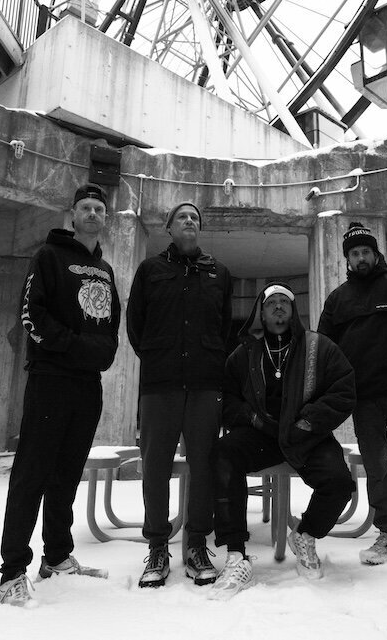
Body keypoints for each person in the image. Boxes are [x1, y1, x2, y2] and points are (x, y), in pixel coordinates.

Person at [0, 183, 120, 607]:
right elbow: (32, 314)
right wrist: (76, 347)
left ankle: (57, 557)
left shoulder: (104, 269)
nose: (92, 214)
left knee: (66, 474)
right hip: (50, 379)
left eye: (99, 208)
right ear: (72, 215)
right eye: (85, 207)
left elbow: (111, 326)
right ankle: (12, 571)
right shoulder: (48, 256)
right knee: (32, 472)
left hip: (88, 386)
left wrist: (101, 354)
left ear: (105, 218)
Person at [209, 282, 356, 600]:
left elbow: (343, 388)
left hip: (306, 435)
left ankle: (305, 535)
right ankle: (236, 555)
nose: (278, 306)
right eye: (271, 302)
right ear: (261, 313)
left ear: (294, 310)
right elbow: (227, 397)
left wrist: (309, 421)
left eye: (284, 302)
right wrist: (250, 418)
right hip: (262, 435)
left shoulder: (318, 346)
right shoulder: (245, 352)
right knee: (224, 453)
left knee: (340, 482)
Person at [127, 201, 232, 588]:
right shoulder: (150, 270)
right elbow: (135, 324)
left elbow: (224, 326)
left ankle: (196, 545)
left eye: (195, 218)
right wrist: (159, 357)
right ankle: (157, 546)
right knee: (155, 465)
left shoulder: (219, 273)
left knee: (203, 464)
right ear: (169, 228)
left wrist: (210, 359)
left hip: (205, 384)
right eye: (182, 217)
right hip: (161, 384)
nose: (190, 221)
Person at [317, 221, 387, 566]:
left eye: (365, 251)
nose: (361, 258)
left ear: (375, 253)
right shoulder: (337, 299)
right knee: (376, 466)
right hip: (363, 398)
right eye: (354, 253)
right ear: (348, 259)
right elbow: (324, 349)